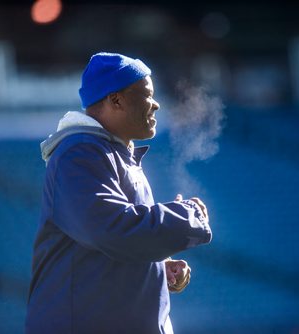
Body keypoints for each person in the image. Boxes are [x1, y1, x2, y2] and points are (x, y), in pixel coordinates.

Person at [25, 52, 212, 334]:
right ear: (116, 100)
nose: (156, 104)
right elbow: (111, 229)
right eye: (147, 94)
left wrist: (158, 268)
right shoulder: (80, 153)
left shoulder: (109, 153)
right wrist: (188, 215)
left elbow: (107, 245)